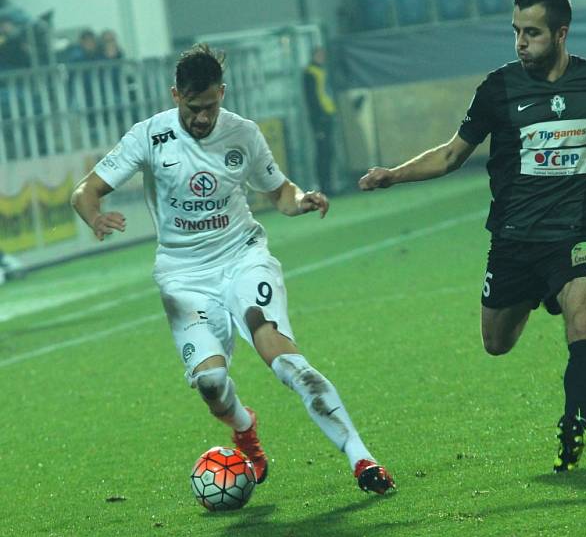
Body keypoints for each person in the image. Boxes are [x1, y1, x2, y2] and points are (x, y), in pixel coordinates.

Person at [360, 0, 586, 473]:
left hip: (579, 232)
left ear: (562, 33)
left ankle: (574, 424)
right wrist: (394, 175)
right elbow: (450, 155)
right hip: (515, 242)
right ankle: (537, 292)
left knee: (584, 319)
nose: (521, 43)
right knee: (497, 343)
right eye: (516, 32)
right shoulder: (499, 88)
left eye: (533, 33)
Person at [70, 44, 395, 495]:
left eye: (210, 106)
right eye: (191, 106)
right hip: (183, 275)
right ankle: (245, 429)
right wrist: (94, 216)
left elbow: (279, 191)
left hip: (243, 257)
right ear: (175, 95)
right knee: (210, 381)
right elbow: (85, 191)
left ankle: (363, 458)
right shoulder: (148, 136)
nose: (201, 118)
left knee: (287, 363)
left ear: (222, 93)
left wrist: (301, 201)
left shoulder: (243, 133)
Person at [303, 46, 337, 194]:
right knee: (322, 153)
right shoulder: (310, 73)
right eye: (320, 54)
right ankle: (324, 187)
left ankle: (329, 184)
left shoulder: (322, 70)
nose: (323, 57)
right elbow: (311, 100)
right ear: (315, 55)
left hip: (327, 115)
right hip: (320, 118)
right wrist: (317, 122)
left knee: (329, 152)